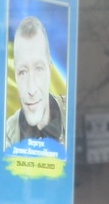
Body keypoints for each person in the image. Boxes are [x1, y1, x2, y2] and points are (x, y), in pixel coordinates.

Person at [4, 15, 65, 145]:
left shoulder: (71, 116)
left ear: (50, 70)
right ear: (15, 76)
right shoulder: (7, 135)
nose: (31, 89)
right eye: (23, 72)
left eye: (39, 69)